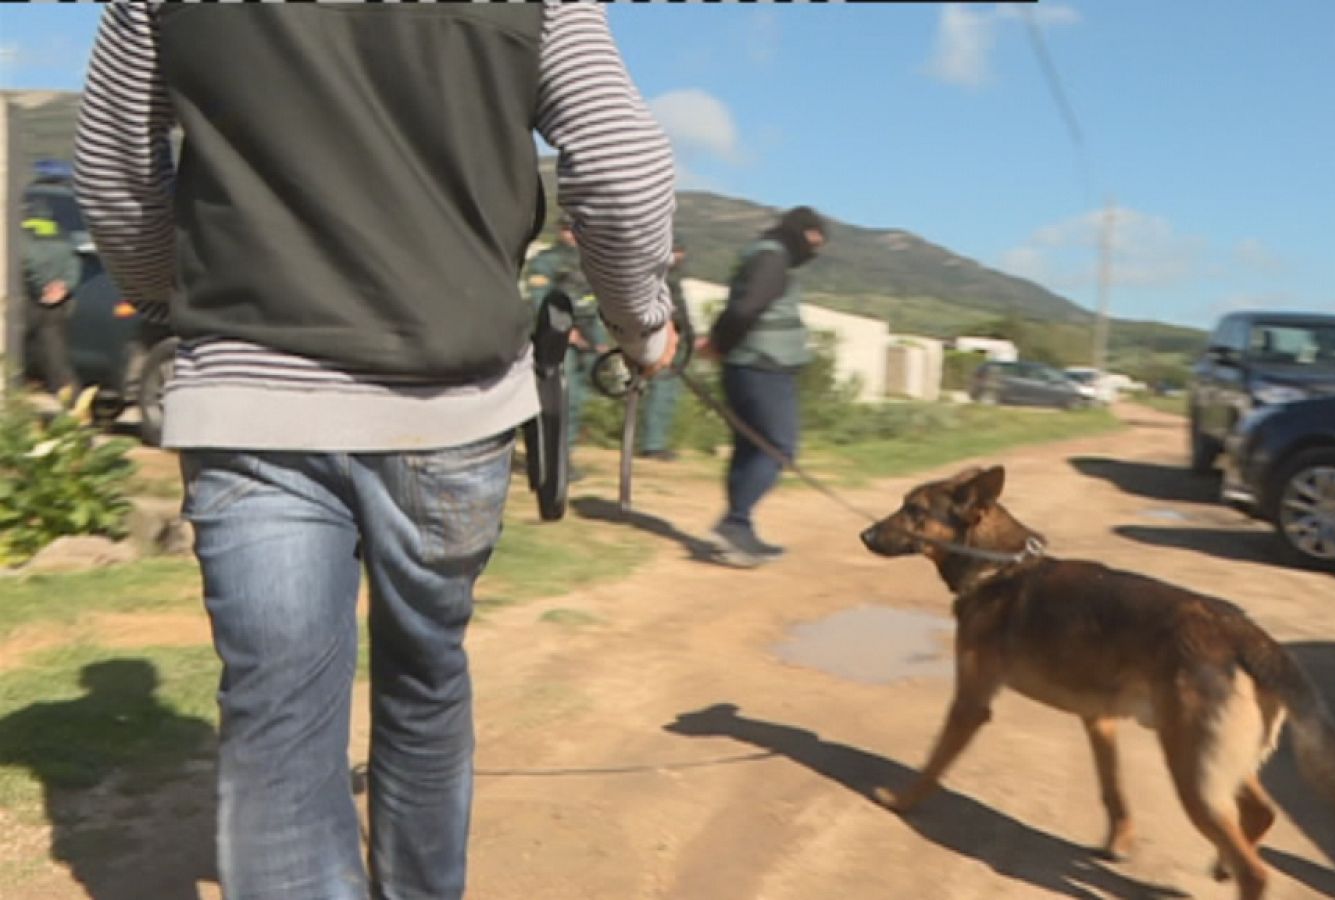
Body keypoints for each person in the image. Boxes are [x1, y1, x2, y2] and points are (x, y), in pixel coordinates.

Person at [75, 5, 677, 898]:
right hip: (450, 407)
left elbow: (116, 176)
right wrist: (641, 325)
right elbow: (624, 166)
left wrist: (186, 307)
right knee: (426, 680)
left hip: (253, 403)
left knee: (277, 724)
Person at [703, 207, 828, 567]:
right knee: (777, 447)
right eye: (816, 240)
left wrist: (719, 344)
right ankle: (734, 524)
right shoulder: (772, 257)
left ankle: (739, 529)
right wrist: (719, 344)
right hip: (763, 367)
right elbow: (746, 308)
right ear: (805, 233)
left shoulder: (764, 253)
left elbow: (742, 307)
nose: (817, 250)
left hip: (748, 365)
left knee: (750, 447)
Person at [521, 217, 612, 476]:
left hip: (585, 340)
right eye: (568, 228)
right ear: (561, 230)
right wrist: (564, 332)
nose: (573, 234)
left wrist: (600, 342)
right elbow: (539, 301)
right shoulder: (546, 261)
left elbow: (593, 306)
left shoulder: (590, 264)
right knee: (560, 399)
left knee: (576, 401)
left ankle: (563, 458)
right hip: (556, 340)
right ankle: (550, 462)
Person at [20, 202, 81, 403]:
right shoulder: (60, 234)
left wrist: (41, 287)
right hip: (57, 304)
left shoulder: (20, 234)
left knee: (17, 356)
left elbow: (24, 262)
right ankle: (73, 408)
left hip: (30, 302)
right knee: (56, 359)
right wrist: (63, 286)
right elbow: (74, 262)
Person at [638, 233, 690, 461]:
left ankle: (656, 442)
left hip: (677, 341)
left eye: (680, 251)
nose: (679, 255)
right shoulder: (655, 277)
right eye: (674, 250)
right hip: (661, 340)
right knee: (660, 392)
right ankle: (652, 445)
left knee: (667, 394)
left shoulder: (674, 278)